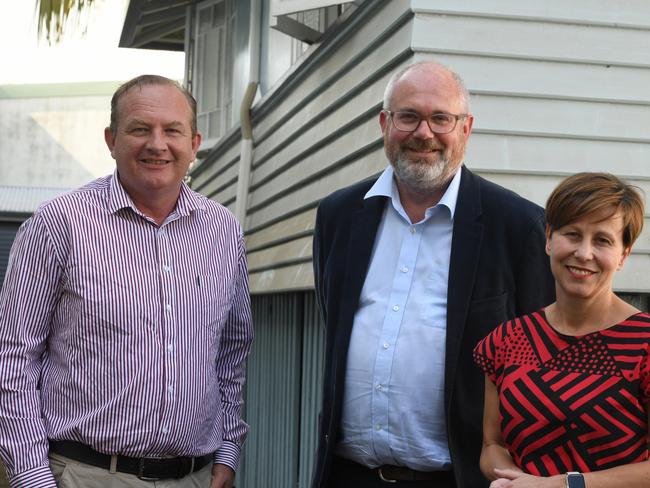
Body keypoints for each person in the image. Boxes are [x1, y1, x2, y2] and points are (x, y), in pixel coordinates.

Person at [0, 75, 253, 488]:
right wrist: (31, 475)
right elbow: (12, 357)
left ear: (194, 143)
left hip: (196, 477)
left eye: (172, 130)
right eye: (139, 129)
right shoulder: (58, 224)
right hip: (86, 475)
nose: (157, 144)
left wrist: (227, 452)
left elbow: (231, 351)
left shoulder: (223, 230)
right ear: (111, 139)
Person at [311, 61, 555, 488]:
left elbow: (542, 369)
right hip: (349, 474)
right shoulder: (339, 216)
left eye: (441, 118)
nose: (424, 133)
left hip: (459, 478)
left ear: (466, 127)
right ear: (385, 123)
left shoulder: (519, 227)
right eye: (409, 116)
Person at [474, 172, 649, 488]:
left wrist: (564, 484)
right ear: (549, 238)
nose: (584, 253)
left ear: (623, 254)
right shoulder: (505, 341)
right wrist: (514, 481)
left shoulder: (644, 345)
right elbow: (492, 446)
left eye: (602, 240)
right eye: (572, 234)